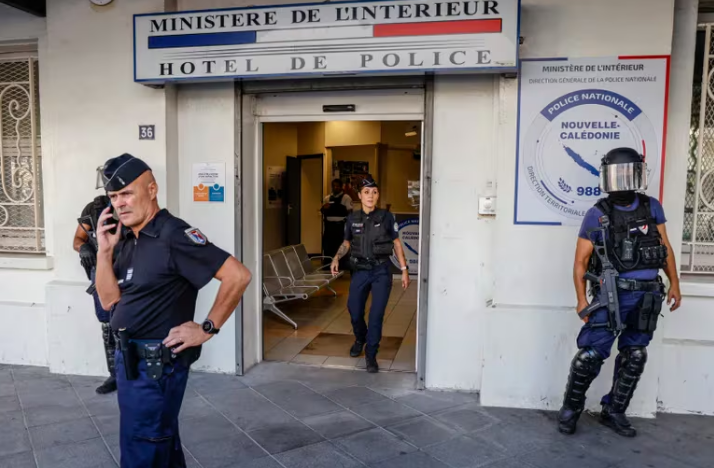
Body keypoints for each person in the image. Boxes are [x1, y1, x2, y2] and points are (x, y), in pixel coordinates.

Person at [94, 153, 252, 467]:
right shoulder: (126, 238)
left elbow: (238, 275)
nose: (120, 203)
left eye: (127, 193)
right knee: (158, 443)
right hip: (128, 362)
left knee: (144, 448)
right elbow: (109, 301)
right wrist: (104, 251)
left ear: (152, 190)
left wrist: (207, 328)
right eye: (114, 197)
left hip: (156, 365)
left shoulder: (173, 235)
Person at [557, 148, 681, 438]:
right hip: (613, 294)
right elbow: (580, 262)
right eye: (617, 175)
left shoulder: (652, 208)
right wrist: (581, 299)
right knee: (589, 356)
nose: (623, 181)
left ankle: (614, 411)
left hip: (648, 294)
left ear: (638, 174)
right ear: (607, 178)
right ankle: (570, 410)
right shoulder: (597, 214)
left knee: (635, 354)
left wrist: (675, 282)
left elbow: (665, 247)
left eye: (629, 173)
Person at [330, 176, 410, 373]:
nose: (370, 196)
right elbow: (347, 242)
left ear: (378, 195)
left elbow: (397, 243)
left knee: (376, 315)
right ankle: (360, 338)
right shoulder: (352, 219)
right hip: (360, 271)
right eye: (366, 192)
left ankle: (371, 354)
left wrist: (404, 269)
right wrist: (336, 257)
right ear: (359, 196)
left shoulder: (387, 217)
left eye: (374, 192)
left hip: (381, 271)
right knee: (354, 309)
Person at [73, 194, 118, 395]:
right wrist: (83, 248)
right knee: (107, 323)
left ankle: (133, 372)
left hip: (129, 269)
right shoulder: (93, 209)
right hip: (101, 271)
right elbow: (78, 239)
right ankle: (115, 375)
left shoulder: (137, 206)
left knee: (134, 320)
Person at [321, 179, 353, 266]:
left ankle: (342, 264)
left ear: (341, 187)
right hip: (329, 226)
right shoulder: (327, 198)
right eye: (334, 186)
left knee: (340, 246)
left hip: (340, 226)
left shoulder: (346, 198)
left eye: (337, 186)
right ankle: (328, 264)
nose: (336, 187)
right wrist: (325, 208)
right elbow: (323, 211)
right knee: (328, 246)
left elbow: (350, 212)